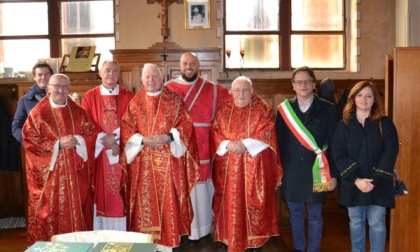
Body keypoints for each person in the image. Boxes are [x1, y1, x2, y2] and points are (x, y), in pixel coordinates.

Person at [120, 63, 200, 252]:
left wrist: (170, 137)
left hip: (169, 162)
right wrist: (143, 140)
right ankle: (145, 245)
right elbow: (126, 128)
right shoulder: (135, 103)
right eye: (147, 77)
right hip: (142, 163)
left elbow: (186, 126)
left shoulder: (174, 100)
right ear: (141, 80)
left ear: (162, 78)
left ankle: (168, 243)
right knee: (143, 204)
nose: (151, 80)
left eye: (155, 76)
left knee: (169, 201)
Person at [22, 73, 98, 246]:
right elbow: (30, 142)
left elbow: (90, 133)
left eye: (65, 87)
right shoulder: (37, 114)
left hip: (75, 177)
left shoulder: (78, 112)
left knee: (77, 211)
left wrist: (78, 140)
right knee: (50, 213)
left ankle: (80, 247)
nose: (61, 90)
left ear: (69, 89)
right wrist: (57, 144)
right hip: (51, 180)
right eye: (56, 86)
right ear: (48, 88)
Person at [210, 76, 283, 252]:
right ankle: (228, 238)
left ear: (251, 91)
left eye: (245, 90)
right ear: (231, 92)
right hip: (227, 167)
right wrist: (227, 144)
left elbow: (267, 132)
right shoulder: (223, 110)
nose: (241, 94)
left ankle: (254, 241)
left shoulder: (262, 109)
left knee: (254, 203)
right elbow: (215, 131)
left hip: (254, 166)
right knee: (228, 201)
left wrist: (245, 145)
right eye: (237, 90)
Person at [165, 52, 231, 245]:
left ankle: (200, 230)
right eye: (185, 63)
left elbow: (232, 104)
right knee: (180, 189)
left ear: (198, 66)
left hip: (204, 147)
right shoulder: (168, 89)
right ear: (180, 65)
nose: (189, 67)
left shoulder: (213, 89)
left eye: (193, 63)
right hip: (178, 148)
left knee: (201, 192)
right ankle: (180, 230)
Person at [275, 66, 338, 252]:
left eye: (307, 81)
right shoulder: (284, 110)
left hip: (317, 170)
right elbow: (277, 143)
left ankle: (313, 249)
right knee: (294, 213)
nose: (303, 84)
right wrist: (278, 172)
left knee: (315, 214)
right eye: (299, 81)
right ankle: (299, 248)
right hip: (292, 171)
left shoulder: (328, 109)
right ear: (292, 85)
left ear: (314, 84)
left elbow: (335, 143)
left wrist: (334, 174)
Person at [331, 81, 399, 252]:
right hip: (353, 184)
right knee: (356, 222)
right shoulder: (344, 125)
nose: (364, 99)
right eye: (360, 95)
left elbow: (390, 152)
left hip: (379, 183)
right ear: (353, 99)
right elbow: (338, 154)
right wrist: (357, 179)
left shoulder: (385, 123)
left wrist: (373, 180)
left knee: (377, 223)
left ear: (375, 100)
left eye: (369, 96)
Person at [81, 60, 134, 231]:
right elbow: (86, 123)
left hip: (122, 150)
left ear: (119, 74)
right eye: (107, 71)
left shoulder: (129, 96)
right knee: (101, 191)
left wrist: (117, 138)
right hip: (99, 151)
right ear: (100, 73)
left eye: (115, 71)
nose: (111, 74)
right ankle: (102, 232)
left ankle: (123, 233)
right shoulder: (89, 96)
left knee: (121, 191)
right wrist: (106, 139)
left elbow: (133, 121)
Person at [12, 62, 53, 144]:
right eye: (40, 75)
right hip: (37, 148)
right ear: (34, 77)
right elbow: (16, 128)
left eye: (47, 74)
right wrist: (30, 144)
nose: (43, 77)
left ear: (52, 76)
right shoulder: (25, 101)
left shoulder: (62, 96)